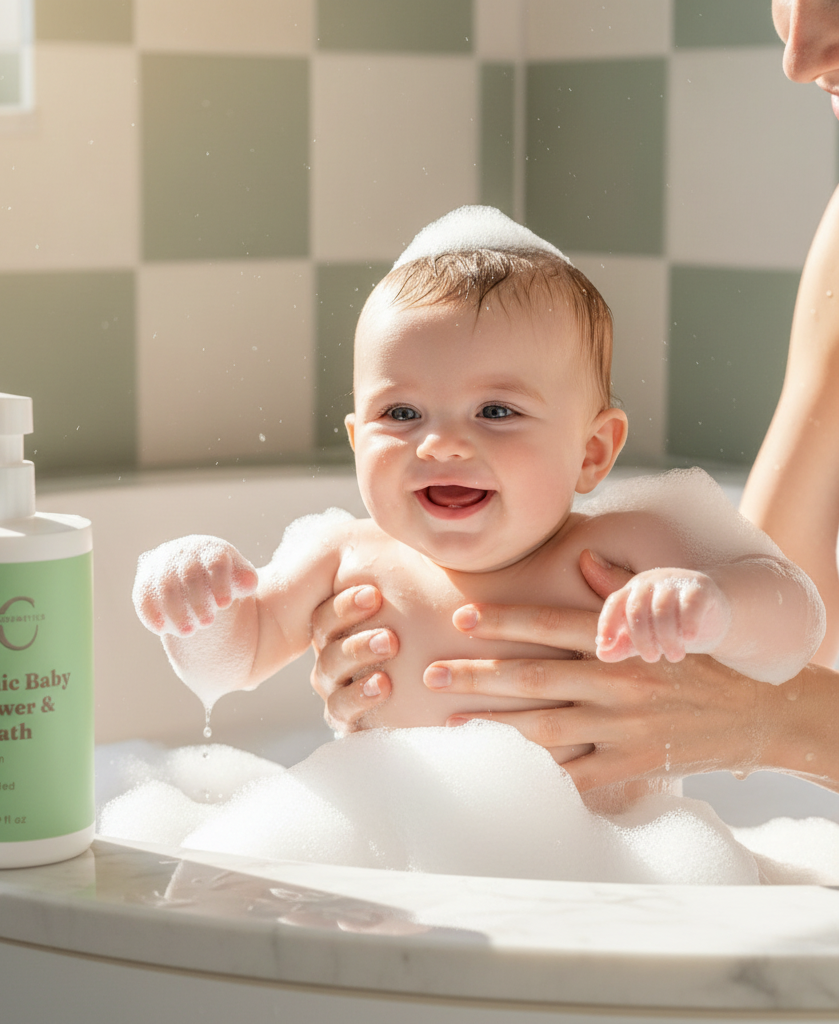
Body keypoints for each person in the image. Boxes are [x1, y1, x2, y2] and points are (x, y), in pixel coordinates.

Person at [309, 0, 839, 796]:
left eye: (497, 411)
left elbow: (770, 680)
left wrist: (766, 720)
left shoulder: (631, 537)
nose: (801, 55)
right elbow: (796, 629)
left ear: (596, 449)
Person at [134, 208, 822, 788]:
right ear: (356, 439)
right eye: (401, 414)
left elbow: (796, 619)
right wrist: (197, 602)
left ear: (592, 452)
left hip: (591, 876)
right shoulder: (345, 558)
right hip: (390, 865)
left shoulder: (621, 552)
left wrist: (715, 607)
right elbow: (237, 656)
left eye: (496, 411)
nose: (440, 445)